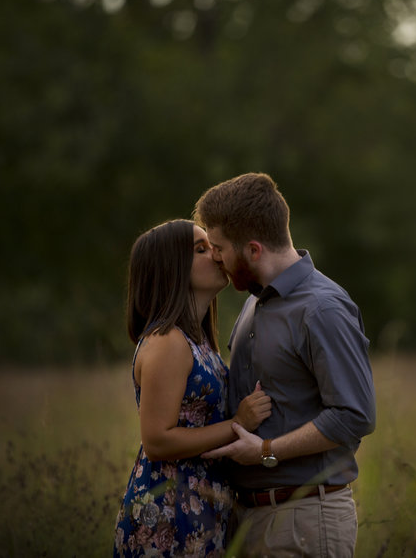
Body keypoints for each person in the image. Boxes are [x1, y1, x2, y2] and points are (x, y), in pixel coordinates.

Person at [194, 173, 376, 557]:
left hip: (304, 518)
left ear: (254, 250)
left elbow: (354, 414)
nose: (215, 257)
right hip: (250, 519)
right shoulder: (253, 302)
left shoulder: (322, 308)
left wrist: (266, 450)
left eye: (220, 248)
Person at [114, 219, 272, 557]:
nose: (216, 255)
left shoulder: (196, 341)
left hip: (200, 506)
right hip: (170, 512)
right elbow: (156, 441)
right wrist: (237, 425)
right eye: (200, 250)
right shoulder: (168, 342)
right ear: (170, 270)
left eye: (212, 246)